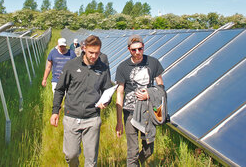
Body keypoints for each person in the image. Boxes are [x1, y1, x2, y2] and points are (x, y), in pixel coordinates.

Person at [50, 35, 113, 167]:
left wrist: (106, 101)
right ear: (84, 48)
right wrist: (55, 111)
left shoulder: (103, 68)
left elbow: (107, 90)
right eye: (91, 52)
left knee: (91, 160)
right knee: (70, 155)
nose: (94, 56)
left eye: (97, 53)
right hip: (71, 117)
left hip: (92, 118)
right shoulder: (71, 65)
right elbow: (60, 89)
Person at [115, 34, 165, 167]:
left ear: (143, 47)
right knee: (133, 151)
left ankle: (134, 165)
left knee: (149, 150)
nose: (137, 52)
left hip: (147, 112)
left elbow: (161, 87)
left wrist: (149, 94)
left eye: (140, 49)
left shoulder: (153, 63)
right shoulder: (122, 67)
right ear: (128, 49)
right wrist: (119, 121)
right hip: (130, 113)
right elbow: (120, 93)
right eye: (134, 50)